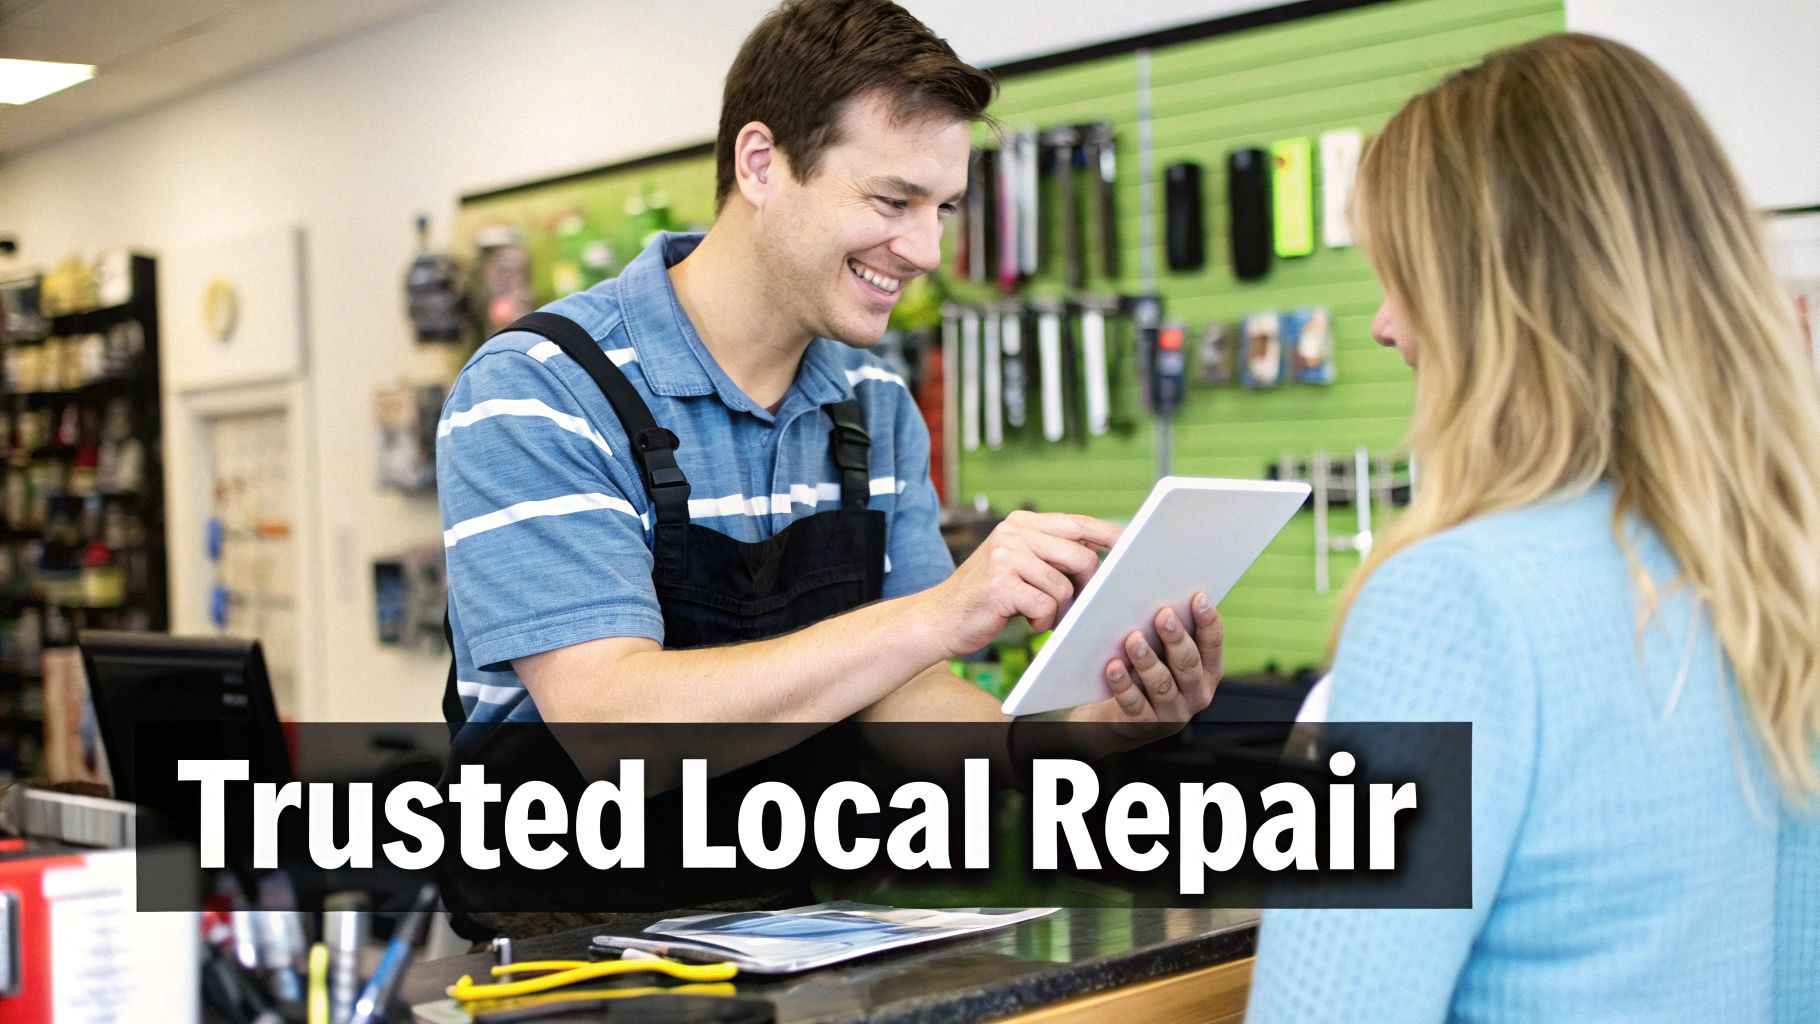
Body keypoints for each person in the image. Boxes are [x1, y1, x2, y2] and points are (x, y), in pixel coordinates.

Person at [436, 1, 1221, 755]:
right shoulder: (540, 391)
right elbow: (611, 730)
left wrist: (1066, 736)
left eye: (943, 209)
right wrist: (939, 613)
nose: (925, 252)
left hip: (794, 892)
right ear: (759, 166)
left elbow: (905, 697)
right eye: (893, 200)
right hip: (569, 892)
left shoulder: (874, 406)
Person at [1246, 34, 1819, 1022]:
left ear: (1493, 297)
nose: (1384, 325)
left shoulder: (1455, 599)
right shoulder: (1775, 569)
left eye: (1405, 277)